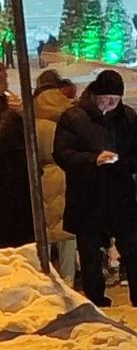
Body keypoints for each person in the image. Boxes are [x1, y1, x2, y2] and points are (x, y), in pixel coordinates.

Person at [53, 70, 137, 308]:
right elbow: (62, 154)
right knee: (90, 252)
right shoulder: (73, 117)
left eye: (115, 99)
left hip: (120, 194)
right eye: (105, 98)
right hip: (87, 195)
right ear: (95, 95)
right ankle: (95, 299)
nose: (110, 104)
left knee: (132, 248)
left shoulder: (128, 117)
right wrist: (93, 159)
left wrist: (125, 164)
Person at [33, 70, 76, 279]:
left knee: (44, 231)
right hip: (68, 174)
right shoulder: (70, 114)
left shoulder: (31, 116)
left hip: (41, 176)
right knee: (68, 232)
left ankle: (47, 278)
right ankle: (69, 278)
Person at [0, 69, 36, 249]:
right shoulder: (8, 114)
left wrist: (22, 113)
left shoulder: (9, 107)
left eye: (5, 77)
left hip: (18, 185)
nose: (5, 82)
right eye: (1, 78)